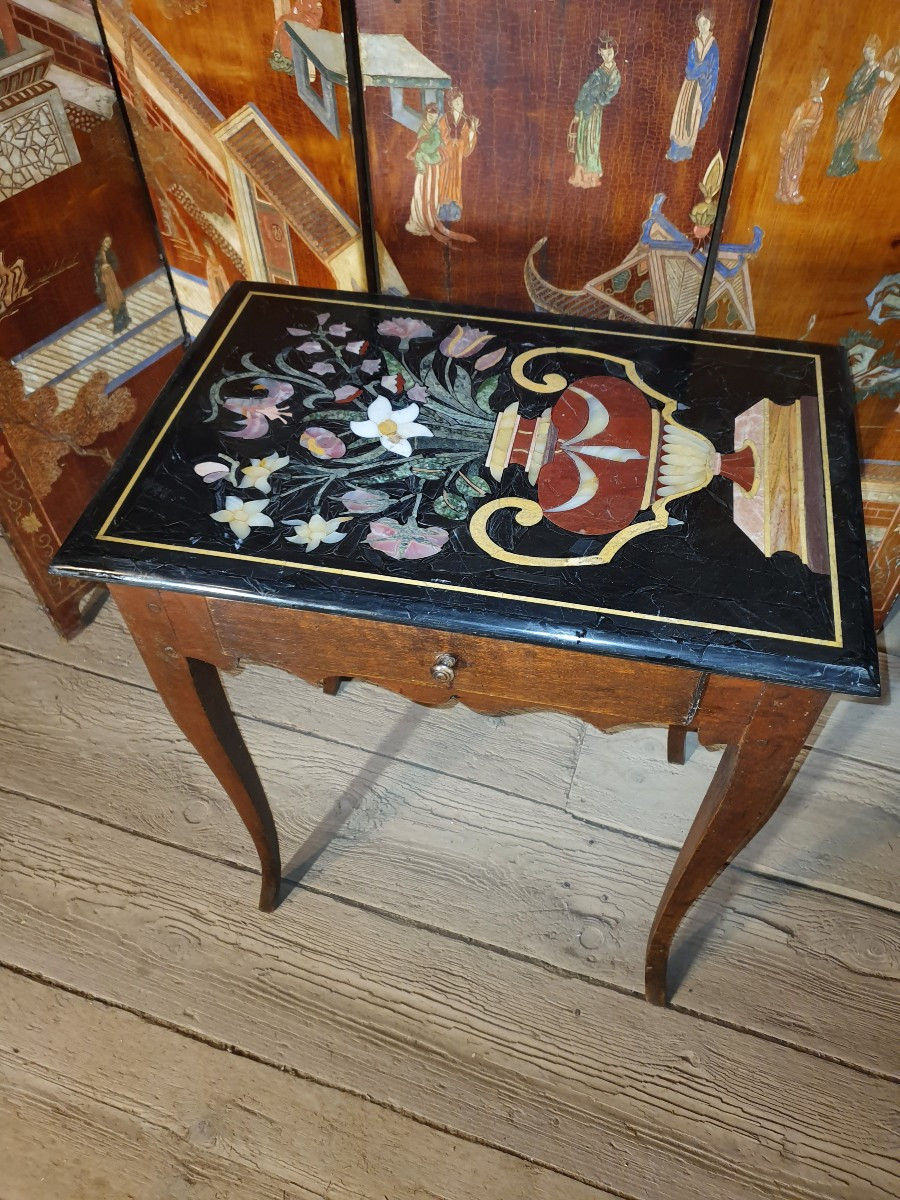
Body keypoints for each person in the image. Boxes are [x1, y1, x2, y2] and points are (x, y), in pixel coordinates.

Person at [405, 103, 474, 245]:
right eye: (430, 116)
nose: (432, 118)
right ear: (426, 116)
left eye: (434, 116)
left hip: (435, 168)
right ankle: (420, 222)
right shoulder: (424, 131)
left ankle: (430, 220)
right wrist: (438, 147)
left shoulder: (436, 129)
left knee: (433, 194)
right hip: (425, 168)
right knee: (422, 194)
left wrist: (449, 147)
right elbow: (427, 148)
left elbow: (442, 145)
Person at [827, 35, 895, 176]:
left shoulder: (877, 69)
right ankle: (838, 162)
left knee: (852, 132)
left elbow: (890, 78)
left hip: (862, 106)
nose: (867, 54)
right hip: (854, 102)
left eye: (870, 51)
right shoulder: (863, 68)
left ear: (876, 52)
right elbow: (852, 85)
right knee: (843, 130)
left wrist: (886, 76)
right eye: (866, 51)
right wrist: (854, 92)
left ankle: (846, 162)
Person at [568, 36, 621, 188]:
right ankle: (579, 174)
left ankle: (591, 176)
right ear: (600, 53)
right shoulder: (597, 72)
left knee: (592, 141)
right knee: (581, 140)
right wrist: (578, 110)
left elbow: (610, 92)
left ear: (614, 52)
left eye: (610, 52)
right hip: (585, 110)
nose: (607, 55)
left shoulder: (614, 74)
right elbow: (585, 89)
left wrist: (597, 98)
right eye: (604, 52)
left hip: (596, 111)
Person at [667, 11, 719, 163]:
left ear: (711, 24)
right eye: (700, 22)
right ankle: (676, 148)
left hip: (703, 87)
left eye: (706, 23)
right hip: (689, 86)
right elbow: (690, 68)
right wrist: (701, 69)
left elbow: (713, 69)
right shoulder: (694, 43)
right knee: (683, 115)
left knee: (694, 116)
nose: (702, 26)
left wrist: (702, 71)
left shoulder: (713, 46)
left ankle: (686, 150)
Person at [775, 69, 829, 204]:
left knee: (798, 164)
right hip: (796, 137)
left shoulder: (820, 104)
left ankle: (792, 192)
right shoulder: (806, 103)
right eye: (822, 82)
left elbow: (816, 124)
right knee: (790, 163)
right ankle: (785, 192)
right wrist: (790, 138)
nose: (823, 85)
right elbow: (795, 121)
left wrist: (808, 134)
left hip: (803, 139)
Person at [437, 89, 480, 224]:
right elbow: (441, 136)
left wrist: (472, 129)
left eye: (461, 101)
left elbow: (467, 144)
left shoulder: (465, 121)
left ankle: (454, 212)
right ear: (451, 104)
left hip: (457, 158)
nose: (460, 104)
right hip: (447, 157)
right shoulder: (444, 119)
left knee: (456, 183)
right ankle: (443, 211)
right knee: (444, 181)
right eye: (456, 102)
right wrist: (451, 144)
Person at [94, 236, 130, 334]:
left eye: (109, 241)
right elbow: (98, 268)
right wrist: (103, 267)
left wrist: (109, 266)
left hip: (110, 275)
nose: (108, 243)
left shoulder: (109, 253)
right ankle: (117, 320)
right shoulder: (99, 254)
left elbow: (115, 264)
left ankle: (122, 317)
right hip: (106, 276)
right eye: (106, 241)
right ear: (102, 242)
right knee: (111, 296)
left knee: (116, 293)